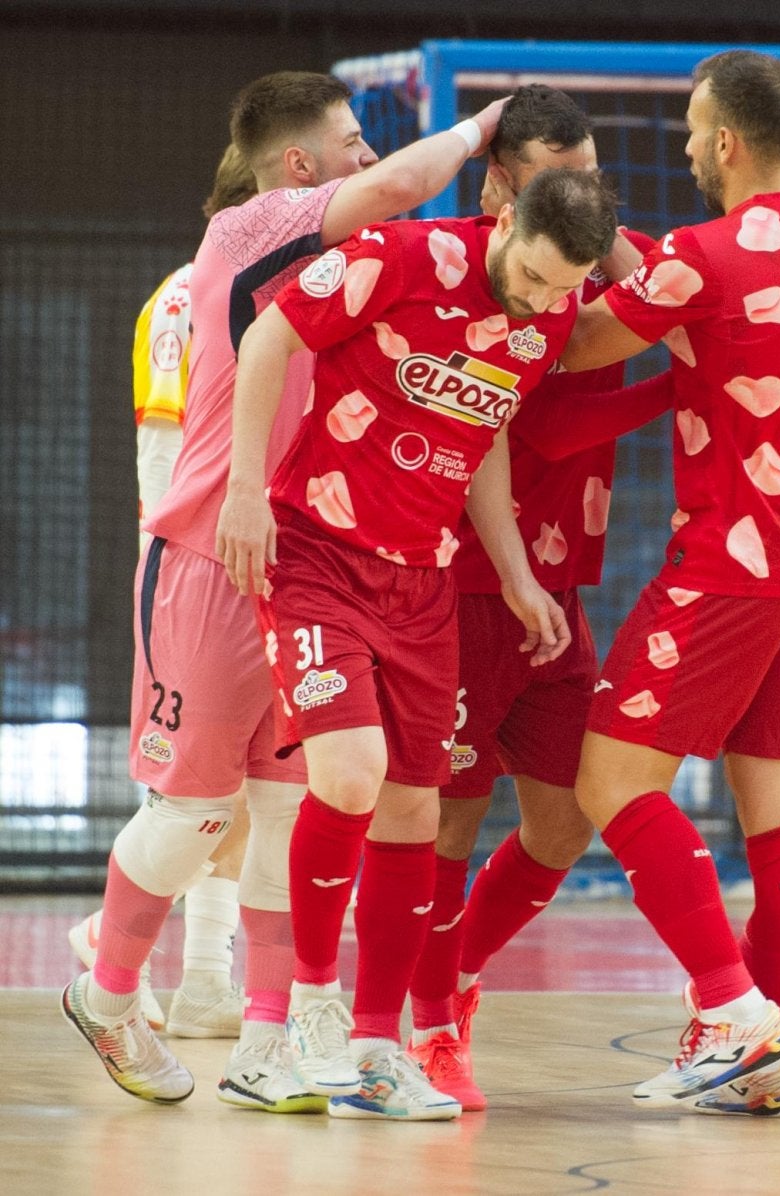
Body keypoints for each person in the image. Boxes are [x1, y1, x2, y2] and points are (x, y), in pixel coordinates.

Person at [60, 69, 510, 1109]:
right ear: (300, 167)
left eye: (369, 144)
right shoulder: (254, 229)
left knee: (288, 803)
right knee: (196, 812)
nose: (368, 158)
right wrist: (486, 124)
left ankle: (263, 1038)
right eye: (352, 142)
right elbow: (400, 186)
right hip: (216, 556)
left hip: (307, 569)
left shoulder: (357, 272)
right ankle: (108, 984)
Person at [217, 167, 615, 1120]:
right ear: (502, 215)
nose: (547, 300)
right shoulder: (401, 254)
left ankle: (372, 1045)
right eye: (537, 275)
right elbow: (269, 334)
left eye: (568, 286)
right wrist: (241, 488)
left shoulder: (552, 313)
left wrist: (516, 574)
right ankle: (302, 1014)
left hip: (424, 580)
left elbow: (485, 434)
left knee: (411, 815)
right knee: (349, 775)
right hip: (317, 551)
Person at [554, 49, 780, 1117]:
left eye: (693, 129)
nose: (687, 146)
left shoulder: (699, 252)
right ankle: (767, 1051)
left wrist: (574, 263)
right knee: (777, 808)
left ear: (727, 141)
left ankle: (733, 1009)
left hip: (734, 560)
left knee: (611, 782)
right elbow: (722, 298)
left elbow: (581, 349)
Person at [405, 83, 656, 1111]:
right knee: (446, 826)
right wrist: (685, 379)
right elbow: (539, 430)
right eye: (562, 179)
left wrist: (638, 259)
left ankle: (451, 971)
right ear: (498, 183)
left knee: (563, 822)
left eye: (593, 176)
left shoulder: (597, 249)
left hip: (555, 585)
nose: (583, 198)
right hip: (464, 583)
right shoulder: (475, 272)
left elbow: (671, 283)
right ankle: (424, 1025)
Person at [67, 143, 261, 1039]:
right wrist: (184, 552)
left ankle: (206, 982)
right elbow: (165, 444)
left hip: (255, 564)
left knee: (253, 789)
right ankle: (113, 937)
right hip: (192, 564)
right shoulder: (190, 294)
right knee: (196, 791)